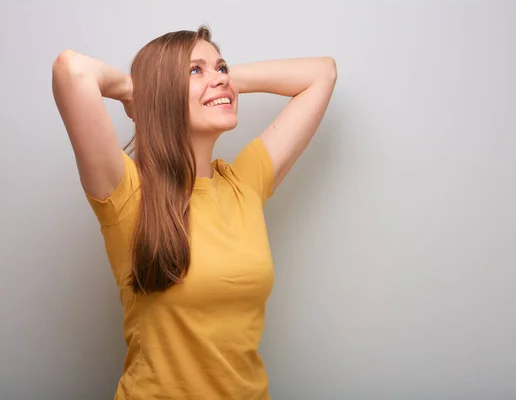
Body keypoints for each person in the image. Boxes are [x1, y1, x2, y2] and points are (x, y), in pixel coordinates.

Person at [51, 25, 337, 399]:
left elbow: (322, 73)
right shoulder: (127, 191)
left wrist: (224, 82)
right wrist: (135, 90)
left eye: (221, 67)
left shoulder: (244, 184)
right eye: (195, 70)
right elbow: (70, 70)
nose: (219, 78)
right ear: (162, 92)